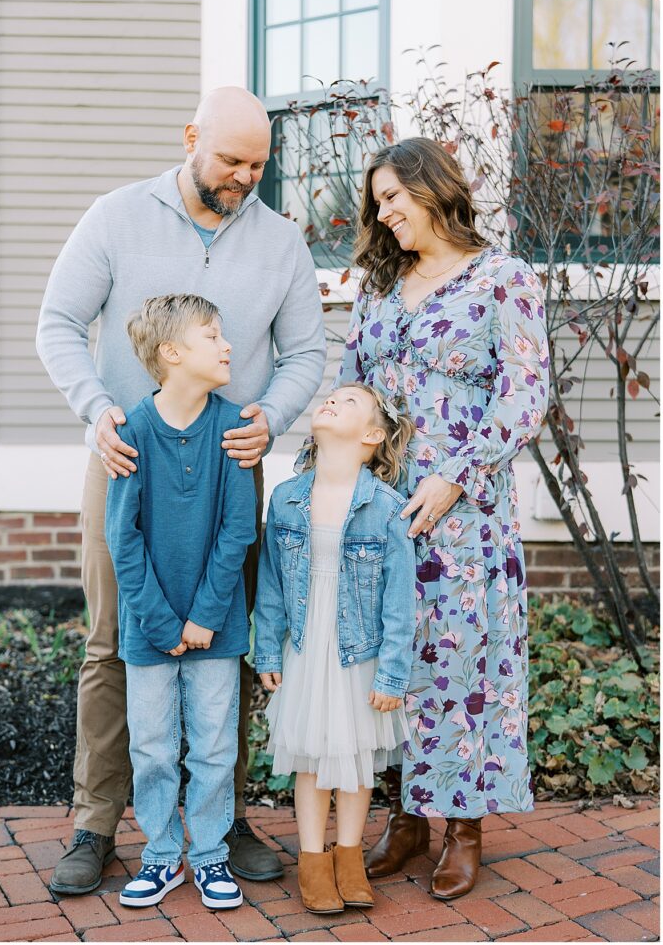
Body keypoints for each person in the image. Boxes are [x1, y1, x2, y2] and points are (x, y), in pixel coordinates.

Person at [37, 87, 326, 895]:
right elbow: (58, 322)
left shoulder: (281, 242)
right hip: (127, 461)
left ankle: (220, 822)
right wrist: (98, 413)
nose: (244, 177)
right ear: (192, 138)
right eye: (231, 160)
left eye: (259, 166)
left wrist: (272, 415)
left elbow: (306, 350)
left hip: (232, 460)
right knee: (112, 640)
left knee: (221, 639)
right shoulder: (116, 215)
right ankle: (96, 822)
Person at [335, 137, 549, 899]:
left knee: (461, 665)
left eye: (393, 197)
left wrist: (455, 477)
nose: (383, 213)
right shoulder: (379, 286)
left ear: (433, 190)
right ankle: (406, 817)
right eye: (378, 202)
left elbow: (525, 394)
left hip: (463, 512)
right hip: (383, 503)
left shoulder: (503, 279)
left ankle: (463, 825)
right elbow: (351, 380)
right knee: (389, 660)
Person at [105, 294, 255, 909]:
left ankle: (212, 853)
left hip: (214, 625)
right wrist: (165, 621)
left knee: (216, 744)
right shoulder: (131, 432)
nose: (227, 347)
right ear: (172, 354)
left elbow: (237, 531)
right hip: (149, 629)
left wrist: (203, 617)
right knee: (153, 746)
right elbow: (124, 539)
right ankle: (163, 855)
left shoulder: (232, 429)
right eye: (212, 337)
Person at [254, 383, 417, 914]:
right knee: (311, 757)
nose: (331, 401)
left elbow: (399, 602)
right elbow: (273, 584)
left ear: (372, 435)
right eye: (330, 397)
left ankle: (349, 857)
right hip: (307, 642)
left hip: (358, 649)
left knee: (355, 757)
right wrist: (269, 652)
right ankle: (312, 859)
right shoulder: (286, 497)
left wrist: (392, 675)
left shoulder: (388, 508)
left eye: (348, 402)